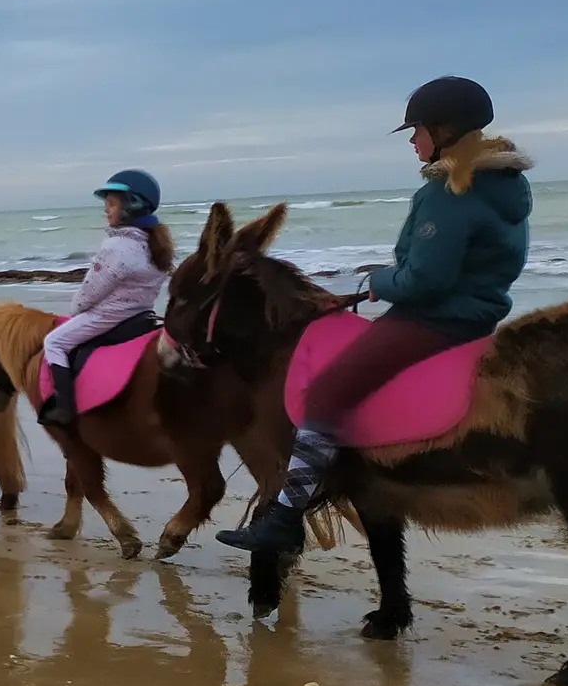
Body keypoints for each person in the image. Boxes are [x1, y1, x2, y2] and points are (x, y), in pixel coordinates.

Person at [219, 75, 532, 554]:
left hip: (433, 322)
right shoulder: (505, 185)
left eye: (418, 129)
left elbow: (424, 281)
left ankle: (283, 522)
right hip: (477, 317)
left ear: (444, 130)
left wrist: (375, 281)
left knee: (323, 395)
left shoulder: (449, 191)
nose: (413, 139)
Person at [37, 170, 174, 428]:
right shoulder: (155, 245)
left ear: (131, 205)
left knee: (54, 341)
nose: (106, 210)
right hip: (141, 314)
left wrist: (75, 307)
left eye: (111, 203)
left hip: (107, 317)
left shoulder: (117, 247)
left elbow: (87, 297)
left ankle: (64, 406)